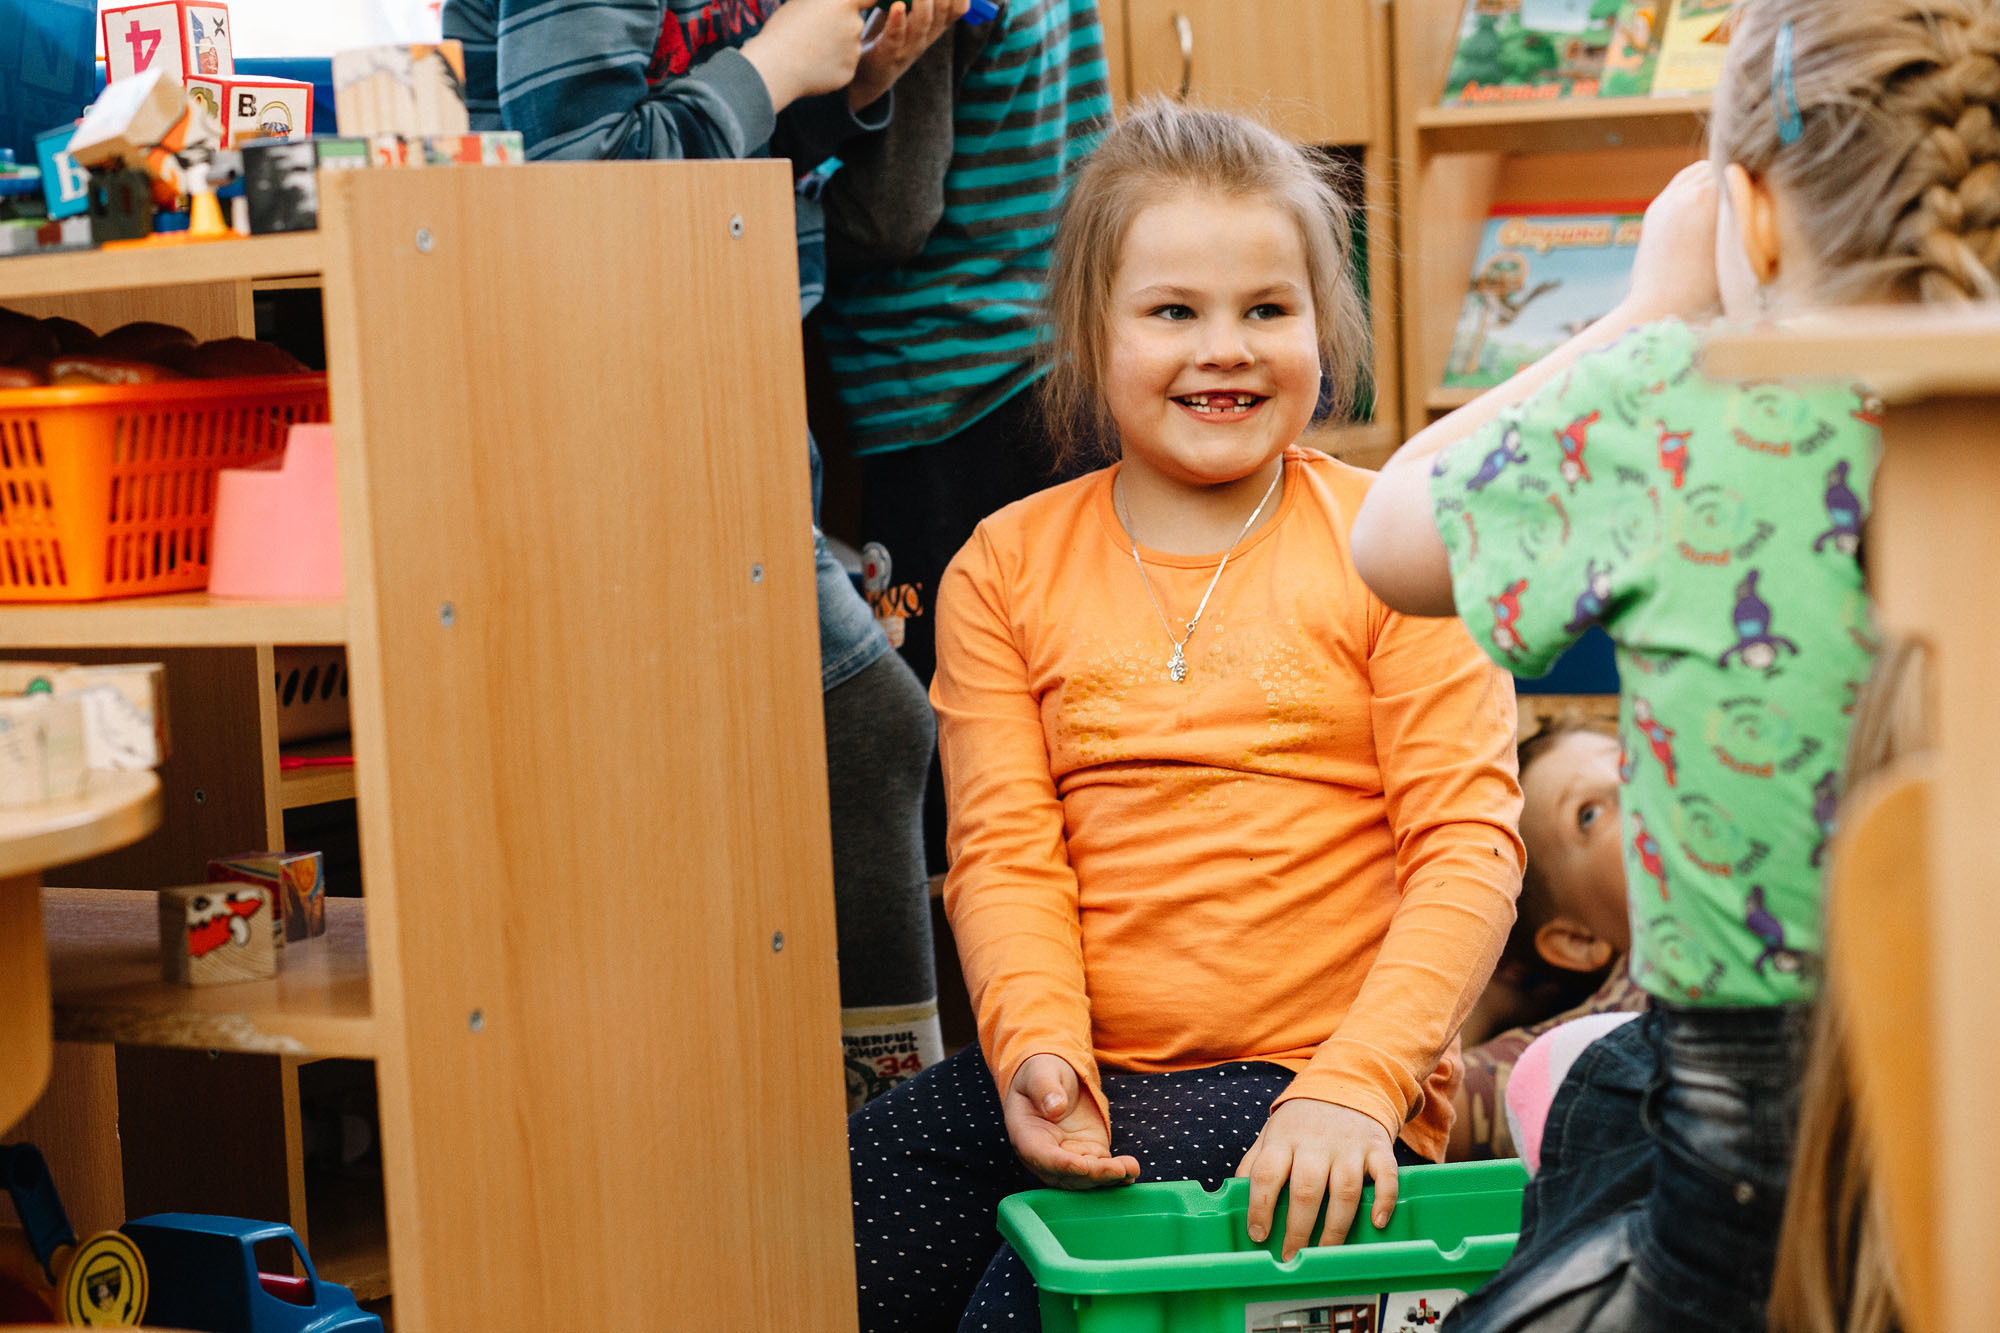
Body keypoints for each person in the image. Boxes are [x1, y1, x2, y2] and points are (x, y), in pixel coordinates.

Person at [1350, 2, 2000, 1326]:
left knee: (1603, 1095)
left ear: (1746, 217)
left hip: (1742, 1215)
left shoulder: (1668, 397)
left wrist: (1648, 308)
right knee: (1603, 1078)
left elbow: (1385, 534)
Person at [845, 101, 1525, 1331]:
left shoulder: (1399, 545)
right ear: (1087, 331)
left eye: (1267, 310)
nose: (1225, 350)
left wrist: (1357, 1086)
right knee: (825, 1231)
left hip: (1310, 1093)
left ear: (1322, 325)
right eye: (1172, 312)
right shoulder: (1002, 565)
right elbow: (1003, 853)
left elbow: (1466, 849)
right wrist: (1036, 1051)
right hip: (1089, 1072)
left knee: (1026, 1307)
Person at [442, 0, 967, 1099]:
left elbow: (736, 159)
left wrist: (849, 87)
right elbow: (581, 186)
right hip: (614, 400)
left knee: (758, 790)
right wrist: (775, 63)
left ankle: (828, 1143)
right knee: (869, 725)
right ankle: (893, 1143)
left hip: (731, 371)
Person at [813, 0, 1113, 875]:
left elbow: (889, 215)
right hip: (1047, 365)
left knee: (960, 757)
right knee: (1056, 724)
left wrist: (770, 168)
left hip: (942, 387)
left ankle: (982, 956)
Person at [1453, 718, 1646, 1163]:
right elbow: (1412, 1107)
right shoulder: (1588, 1049)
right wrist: (1486, 996)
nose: (1632, 786)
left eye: (1633, 761)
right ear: (1578, 940)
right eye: (1588, 814)